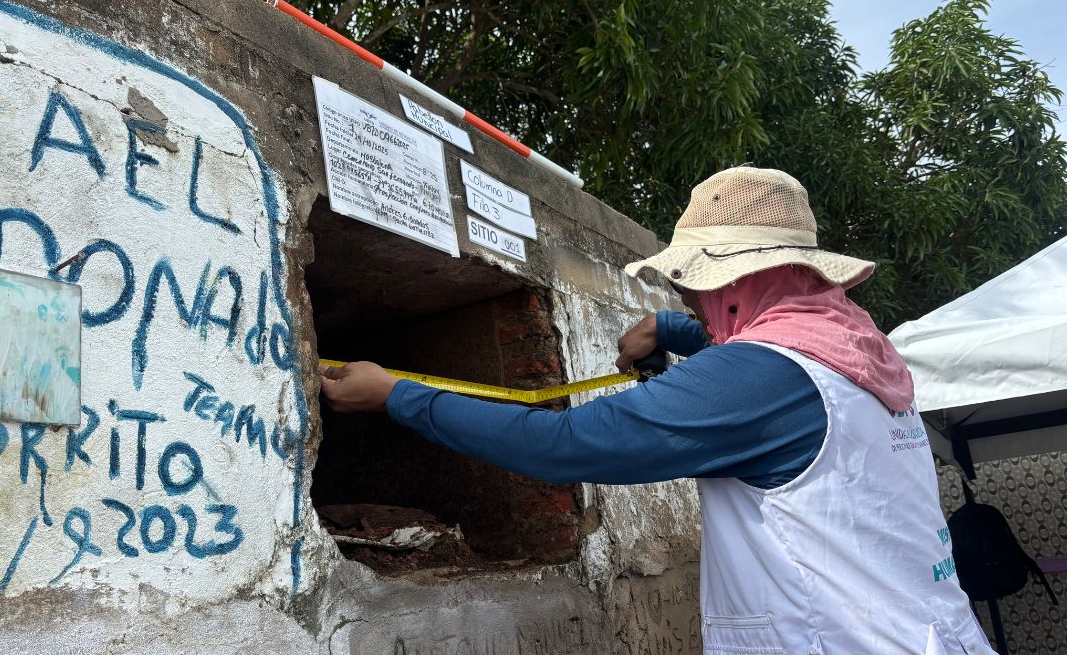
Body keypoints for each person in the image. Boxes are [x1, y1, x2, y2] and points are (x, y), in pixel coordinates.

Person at [321, 166, 995, 654]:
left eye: (696, 287)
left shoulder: (765, 377)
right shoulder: (858, 354)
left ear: (737, 280)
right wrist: (668, 330)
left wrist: (397, 395)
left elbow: (562, 444)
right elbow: (753, 357)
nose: (692, 300)